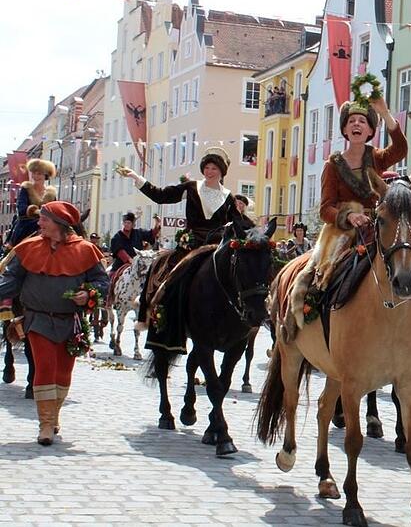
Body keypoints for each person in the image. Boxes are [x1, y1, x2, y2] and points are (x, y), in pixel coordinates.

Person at [315, 95, 411, 321]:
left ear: (370, 130)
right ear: (345, 129)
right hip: (343, 230)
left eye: (362, 121)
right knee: (323, 270)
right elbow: (325, 209)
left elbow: (400, 149)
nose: (357, 124)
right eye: (351, 121)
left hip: (378, 223)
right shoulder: (333, 165)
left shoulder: (376, 157)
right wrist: (349, 216)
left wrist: (385, 113)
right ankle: (315, 308)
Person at [0, 201, 109, 445]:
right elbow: (10, 281)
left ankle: (54, 413)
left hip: (71, 322)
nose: (39, 223)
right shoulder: (27, 248)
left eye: (44, 219)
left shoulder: (85, 250)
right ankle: (46, 425)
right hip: (37, 320)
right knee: (45, 367)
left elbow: (102, 283)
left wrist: (88, 294)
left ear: (59, 224)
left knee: (63, 373)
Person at [117, 146, 245, 352]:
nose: (210, 171)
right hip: (191, 244)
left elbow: (239, 222)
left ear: (222, 172)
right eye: (207, 167)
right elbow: (161, 196)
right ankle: (157, 312)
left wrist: (260, 235)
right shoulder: (191, 187)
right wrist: (136, 178)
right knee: (170, 276)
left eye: (214, 168)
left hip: (215, 246)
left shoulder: (228, 197)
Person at [10, 159, 58, 247]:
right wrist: (37, 212)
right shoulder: (26, 189)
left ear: (45, 175)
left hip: (46, 225)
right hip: (27, 225)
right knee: (16, 247)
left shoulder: (51, 193)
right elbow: (21, 209)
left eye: (39, 174)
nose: (36, 176)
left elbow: (55, 211)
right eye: (34, 173)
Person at [109, 211, 160, 277]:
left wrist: (157, 224)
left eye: (129, 223)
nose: (126, 224)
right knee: (112, 278)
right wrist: (130, 260)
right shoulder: (117, 236)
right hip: (121, 265)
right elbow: (120, 251)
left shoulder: (138, 233)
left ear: (133, 224)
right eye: (125, 222)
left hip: (138, 264)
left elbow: (151, 234)